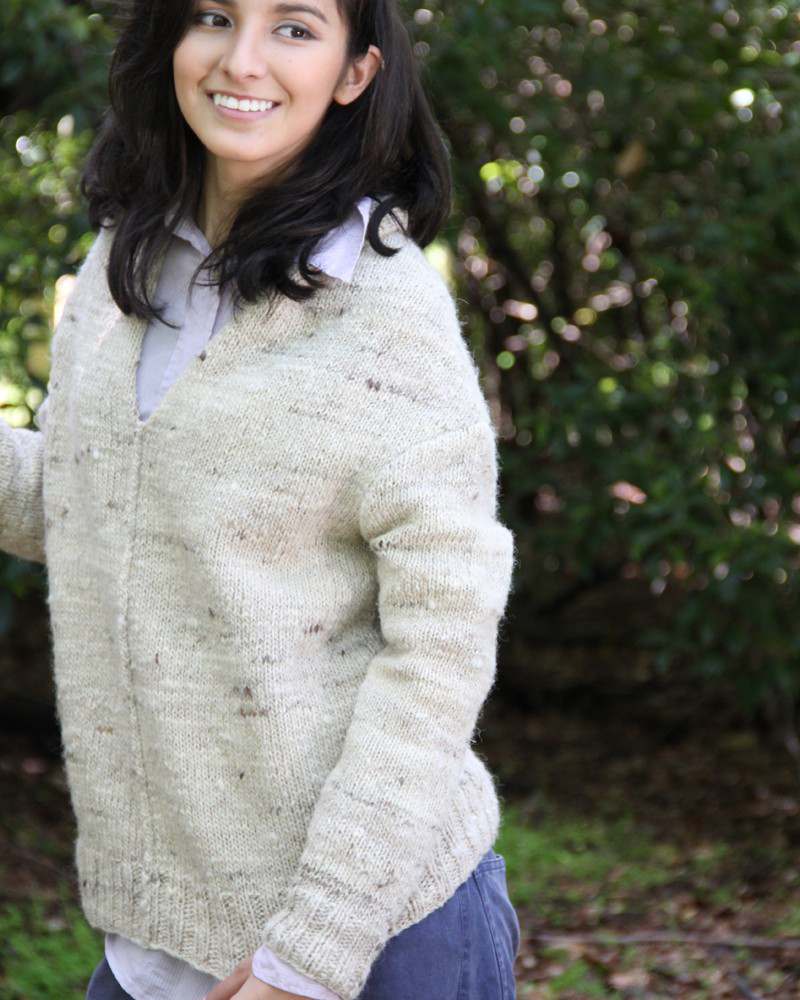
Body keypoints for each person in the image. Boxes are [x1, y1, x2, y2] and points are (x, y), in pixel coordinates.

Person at [3, 0, 521, 997]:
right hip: (157, 942)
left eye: (293, 27)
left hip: (364, 940)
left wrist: (312, 952)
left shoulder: (386, 318)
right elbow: (86, 501)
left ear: (356, 72)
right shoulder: (127, 261)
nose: (241, 60)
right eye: (213, 15)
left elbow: (442, 648)